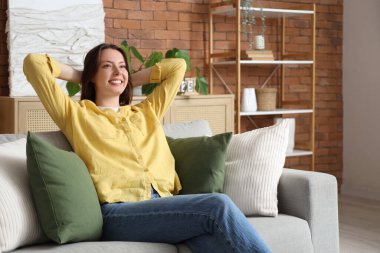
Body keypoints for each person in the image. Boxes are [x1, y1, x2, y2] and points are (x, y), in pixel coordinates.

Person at [23, 43, 271, 253]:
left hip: (164, 205)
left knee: (210, 242)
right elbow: (34, 64)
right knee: (218, 205)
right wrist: (81, 74)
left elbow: (178, 67)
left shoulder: (146, 112)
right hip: (119, 213)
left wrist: (127, 77)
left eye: (122, 65)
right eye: (106, 65)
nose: (116, 71)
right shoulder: (75, 115)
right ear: (91, 75)